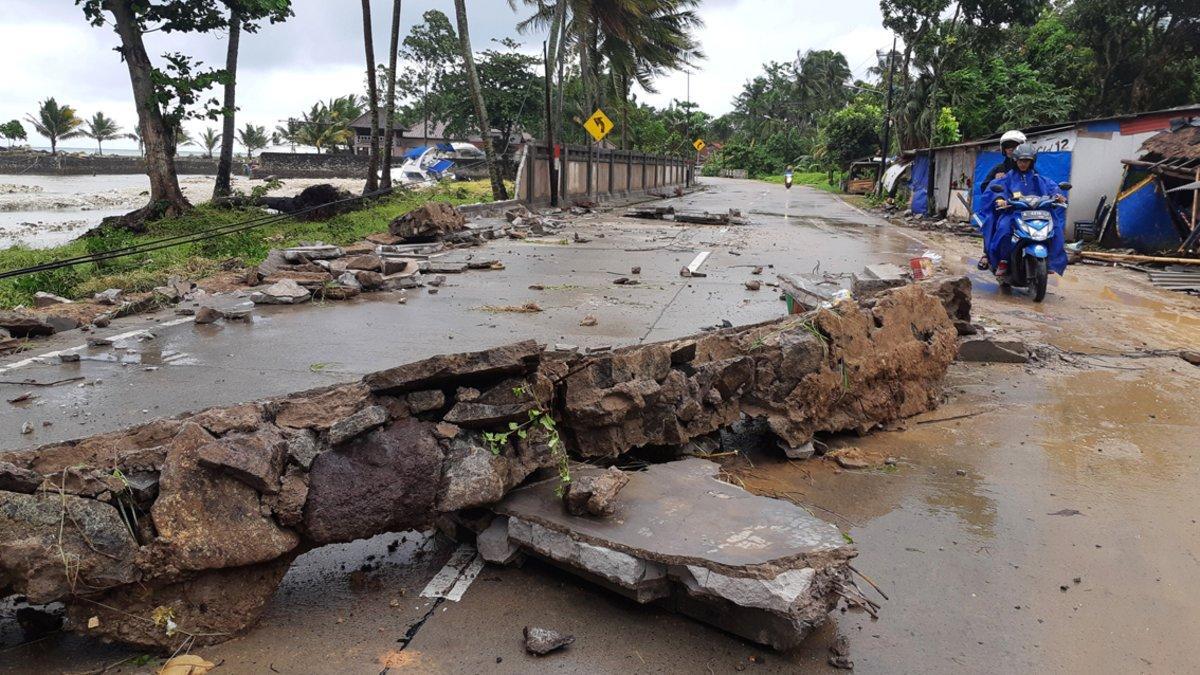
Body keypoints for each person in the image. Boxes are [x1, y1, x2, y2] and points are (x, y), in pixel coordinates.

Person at [982, 143, 1067, 278]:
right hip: (1013, 213)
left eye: (1026, 161)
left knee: (1056, 229)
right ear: (1016, 160)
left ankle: (1050, 261)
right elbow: (997, 187)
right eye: (1021, 160)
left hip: (1037, 212)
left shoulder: (1037, 177)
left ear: (1031, 162)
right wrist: (1000, 198)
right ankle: (1003, 260)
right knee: (1004, 230)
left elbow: (1051, 186)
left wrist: (1058, 196)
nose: (1023, 164)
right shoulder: (1008, 176)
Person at [975, 130, 1026, 269]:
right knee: (991, 222)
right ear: (1004, 150)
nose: (1011, 149)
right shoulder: (999, 169)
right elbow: (985, 187)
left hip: (1024, 209)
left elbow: (1042, 185)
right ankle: (987, 253)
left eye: (1015, 146)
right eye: (1008, 146)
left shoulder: (1029, 170)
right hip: (1003, 210)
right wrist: (995, 183)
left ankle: (1049, 259)